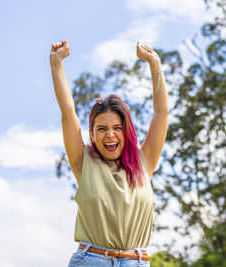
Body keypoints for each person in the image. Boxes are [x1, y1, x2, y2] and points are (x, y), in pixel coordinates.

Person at [50, 40, 168, 267]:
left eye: (117, 128)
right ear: (92, 135)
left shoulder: (144, 162)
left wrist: (154, 62)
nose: (110, 135)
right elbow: (68, 111)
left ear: (128, 131)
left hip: (138, 261)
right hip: (92, 261)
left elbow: (161, 113)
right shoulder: (84, 162)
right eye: (102, 129)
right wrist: (57, 65)